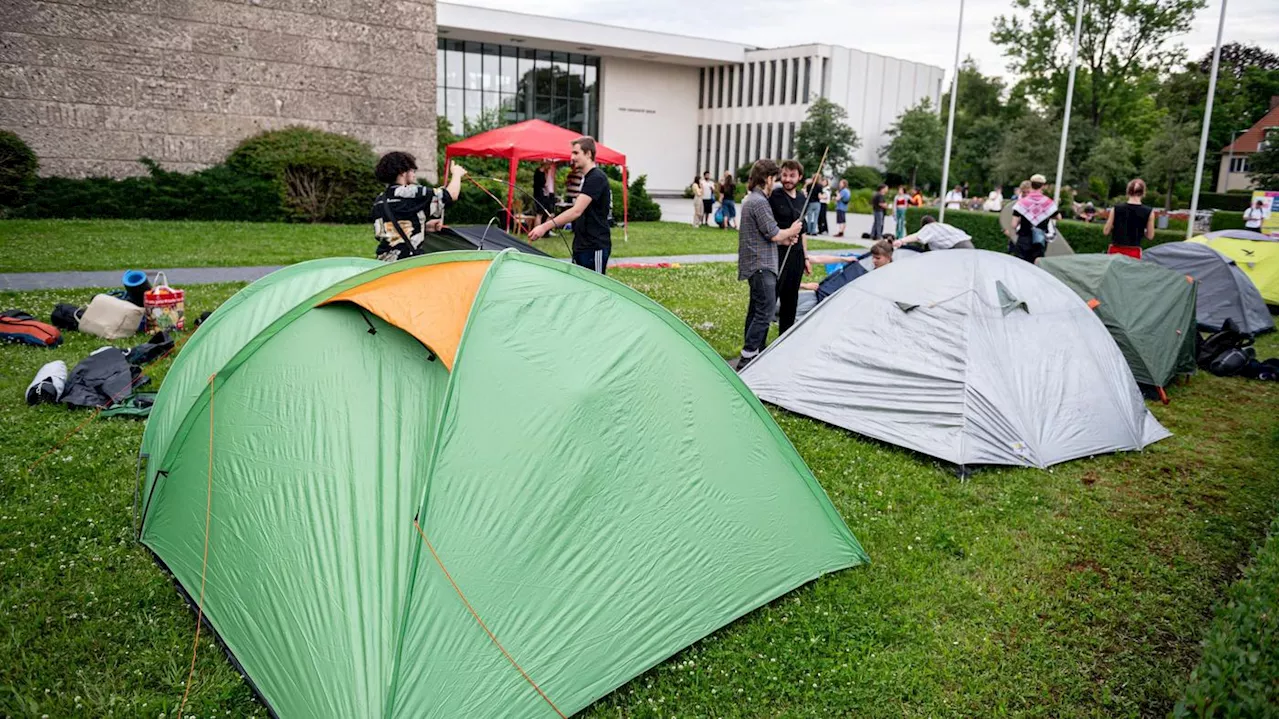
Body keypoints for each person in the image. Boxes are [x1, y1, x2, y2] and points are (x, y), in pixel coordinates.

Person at [737, 158, 803, 370]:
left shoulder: (754, 200)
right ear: (767, 178)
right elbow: (774, 233)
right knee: (765, 312)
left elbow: (766, 234)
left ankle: (751, 353)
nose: (775, 182)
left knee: (757, 310)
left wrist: (786, 238)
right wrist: (791, 231)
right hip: (761, 265)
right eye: (774, 177)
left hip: (759, 262)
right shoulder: (759, 202)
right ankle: (748, 357)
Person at [528, 137, 612, 274]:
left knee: (593, 291)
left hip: (594, 246)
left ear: (588, 154)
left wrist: (544, 226)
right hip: (581, 245)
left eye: (576, 153)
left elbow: (576, 211)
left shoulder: (596, 177)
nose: (572, 157)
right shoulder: (587, 178)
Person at [370, 151, 465, 263]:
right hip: (406, 262)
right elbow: (451, 195)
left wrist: (423, 226)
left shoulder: (380, 199)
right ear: (402, 172)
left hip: (383, 262)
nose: (414, 174)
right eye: (412, 170)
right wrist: (457, 174)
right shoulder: (413, 192)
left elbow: (390, 228)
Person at [770, 159, 812, 335]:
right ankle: (758, 343)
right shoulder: (775, 196)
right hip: (778, 252)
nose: (787, 179)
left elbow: (803, 232)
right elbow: (769, 227)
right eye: (785, 175)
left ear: (799, 177)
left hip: (796, 254)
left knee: (791, 297)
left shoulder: (803, 198)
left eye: (792, 175)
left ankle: (784, 337)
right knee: (773, 295)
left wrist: (806, 257)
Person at [1007, 173, 1060, 264]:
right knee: (1036, 267)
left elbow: (1013, 224)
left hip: (1023, 239)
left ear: (1031, 184)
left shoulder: (1022, 203)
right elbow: (1058, 217)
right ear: (1043, 186)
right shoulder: (1047, 203)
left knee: (1020, 265)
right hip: (1039, 240)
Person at [1103, 178, 1155, 258]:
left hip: (1115, 251)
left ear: (1128, 191)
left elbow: (1106, 231)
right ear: (1143, 192)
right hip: (1134, 252)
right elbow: (1150, 236)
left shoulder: (1116, 209)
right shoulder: (1149, 212)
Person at [894, 215, 974, 251]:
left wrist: (901, 241)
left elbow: (917, 236)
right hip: (968, 244)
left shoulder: (930, 227)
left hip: (959, 248)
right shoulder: (942, 226)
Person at [532, 160, 557, 226]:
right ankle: (540, 229)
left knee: (543, 213)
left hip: (541, 195)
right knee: (540, 213)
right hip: (540, 195)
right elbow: (545, 184)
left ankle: (544, 229)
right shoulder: (541, 173)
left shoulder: (539, 172)